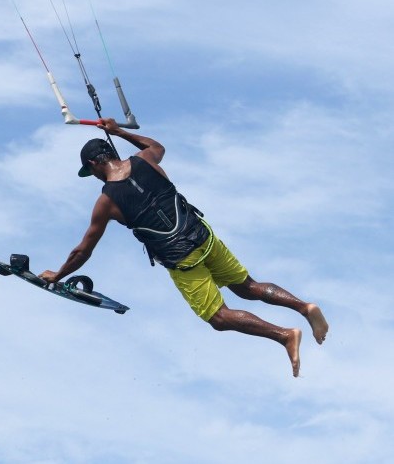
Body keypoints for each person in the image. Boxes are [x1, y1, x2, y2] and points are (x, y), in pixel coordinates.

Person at [40, 118, 328, 377]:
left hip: (183, 260)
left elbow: (83, 250)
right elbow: (155, 145)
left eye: (90, 173)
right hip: (205, 238)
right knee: (247, 286)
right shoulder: (147, 160)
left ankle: (284, 335)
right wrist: (119, 131)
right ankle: (304, 307)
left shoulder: (107, 202)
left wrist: (59, 274)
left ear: (93, 164)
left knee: (218, 317)